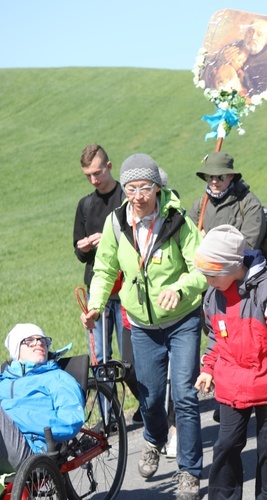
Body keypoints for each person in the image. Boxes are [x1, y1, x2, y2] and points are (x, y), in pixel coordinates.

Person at [81, 154, 206, 500]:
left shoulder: (178, 220)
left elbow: (202, 268)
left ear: (157, 186)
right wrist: (94, 306)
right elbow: (105, 269)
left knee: (184, 395)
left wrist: (179, 288)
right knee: (149, 398)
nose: (138, 195)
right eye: (132, 187)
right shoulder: (116, 223)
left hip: (182, 320)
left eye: (145, 187)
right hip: (142, 325)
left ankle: (189, 472)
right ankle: (153, 438)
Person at [193, 225, 267, 500]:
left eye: (212, 274)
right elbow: (216, 339)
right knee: (226, 446)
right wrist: (207, 369)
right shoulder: (212, 295)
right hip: (232, 385)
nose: (208, 280)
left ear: (232, 267)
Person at [73, 145, 141, 418]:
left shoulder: (127, 198)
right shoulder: (85, 205)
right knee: (100, 356)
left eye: (98, 172)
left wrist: (110, 239)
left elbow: (139, 238)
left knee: (130, 359)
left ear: (109, 166)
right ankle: (108, 417)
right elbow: (78, 252)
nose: (94, 179)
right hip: (98, 290)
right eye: (88, 175)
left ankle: (148, 408)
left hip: (126, 288)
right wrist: (86, 247)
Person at [0, 324, 85, 474]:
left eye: (42, 340)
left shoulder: (57, 378)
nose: (39, 343)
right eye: (30, 340)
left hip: (32, 452)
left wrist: (18, 421)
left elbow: (70, 422)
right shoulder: (4, 381)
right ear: (16, 349)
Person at [188, 152, 267, 250]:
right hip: (203, 264)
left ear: (231, 176)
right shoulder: (200, 204)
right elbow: (188, 244)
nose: (214, 181)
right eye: (209, 176)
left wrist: (207, 241)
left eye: (220, 176)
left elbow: (248, 247)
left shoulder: (249, 204)